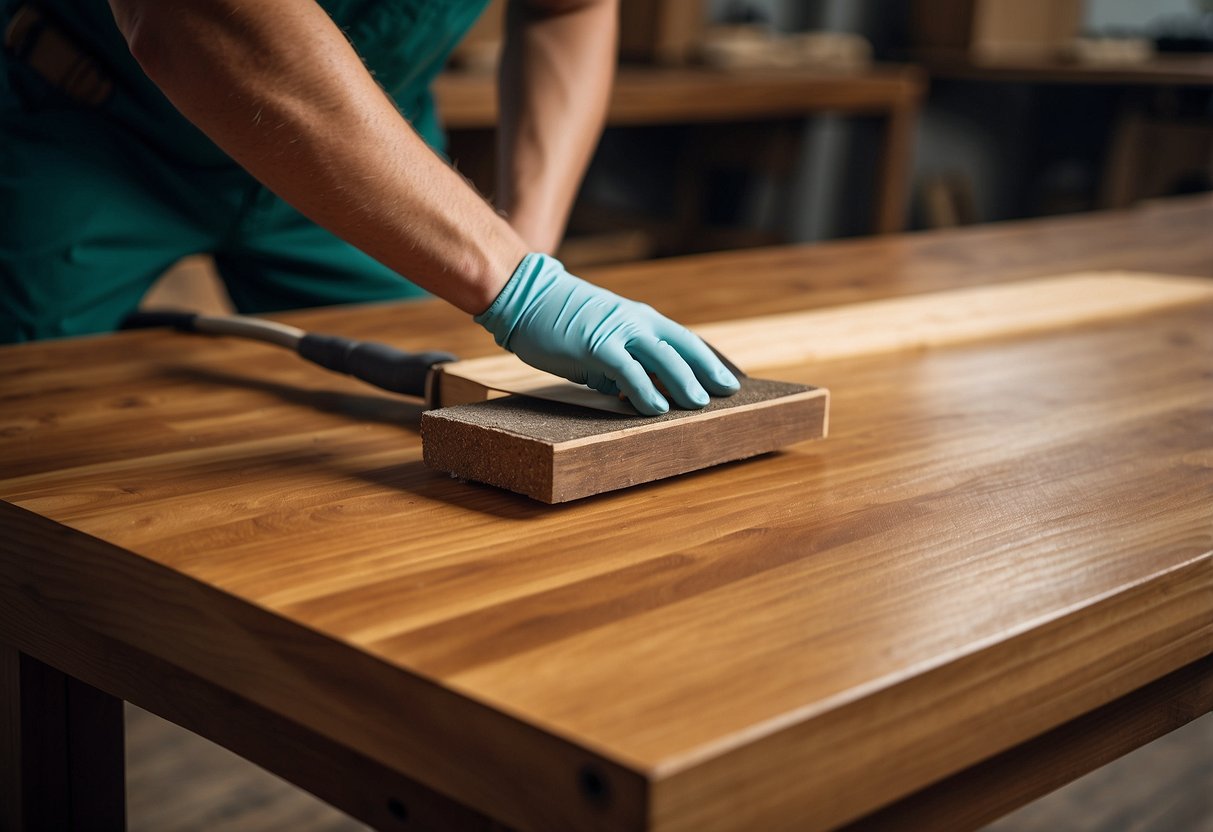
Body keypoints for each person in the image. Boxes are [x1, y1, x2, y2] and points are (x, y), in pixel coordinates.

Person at [0, 0, 739, 414]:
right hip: (80, 125)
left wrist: (524, 254)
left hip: (367, 156)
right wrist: (519, 289)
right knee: (34, 430)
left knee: (438, 410)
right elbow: (192, 17)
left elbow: (565, 9)